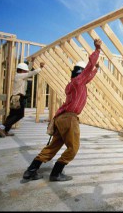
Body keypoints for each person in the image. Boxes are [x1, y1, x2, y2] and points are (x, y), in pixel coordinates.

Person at [22, 38, 102, 182]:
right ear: (81, 73)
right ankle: (56, 173)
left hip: (61, 118)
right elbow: (88, 69)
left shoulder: (75, 83)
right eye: (85, 73)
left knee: (53, 146)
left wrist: (97, 69)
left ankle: (31, 170)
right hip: (69, 119)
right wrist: (97, 50)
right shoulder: (78, 81)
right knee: (73, 148)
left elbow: (88, 75)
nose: (86, 76)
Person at [0, 60, 45, 137]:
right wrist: (40, 68)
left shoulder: (20, 75)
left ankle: (4, 132)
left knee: (12, 115)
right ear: (21, 70)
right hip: (18, 98)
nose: (26, 72)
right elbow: (30, 73)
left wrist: (32, 61)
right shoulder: (20, 76)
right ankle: (2, 127)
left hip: (15, 97)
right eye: (24, 71)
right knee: (20, 115)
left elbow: (28, 70)